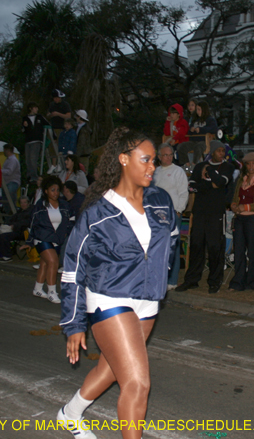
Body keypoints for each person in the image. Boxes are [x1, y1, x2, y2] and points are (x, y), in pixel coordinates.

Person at [57, 127, 177, 439]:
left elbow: (171, 241)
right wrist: (74, 322)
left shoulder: (161, 201)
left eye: (155, 161)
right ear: (124, 159)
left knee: (110, 370)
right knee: (137, 383)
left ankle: (69, 414)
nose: (153, 166)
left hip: (148, 301)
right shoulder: (97, 214)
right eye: (146, 159)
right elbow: (72, 269)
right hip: (110, 299)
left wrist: (159, 271)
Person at [177, 141, 233, 293]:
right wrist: (210, 184)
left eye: (223, 151)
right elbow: (191, 186)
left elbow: (221, 183)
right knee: (196, 246)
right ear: (212, 152)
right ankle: (191, 280)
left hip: (216, 213)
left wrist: (210, 172)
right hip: (200, 212)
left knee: (215, 247)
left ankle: (214, 281)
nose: (222, 153)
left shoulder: (227, 167)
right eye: (219, 151)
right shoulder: (199, 166)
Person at [21, 176, 74, 304]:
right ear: (46, 191)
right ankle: (52, 292)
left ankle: (38, 288)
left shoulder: (64, 205)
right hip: (42, 238)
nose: (55, 193)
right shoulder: (40, 205)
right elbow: (33, 223)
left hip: (56, 239)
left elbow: (71, 220)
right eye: (52, 190)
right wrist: (29, 241)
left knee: (45, 263)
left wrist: (68, 232)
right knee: (53, 262)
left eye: (57, 190)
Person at [229, 152, 254, 292]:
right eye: (248, 163)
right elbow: (235, 197)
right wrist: (233, 205)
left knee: (252, 251)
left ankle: (252, 281)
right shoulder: (241, 179)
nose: (251, 166)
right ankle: (238, 281)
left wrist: (245, 207)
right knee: (239, 250)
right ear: (245, 165)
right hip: (240, 218)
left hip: (253, 218)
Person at [152, 143, 189, 290]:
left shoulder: (177, 171)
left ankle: (172, 281)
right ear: (159, 157)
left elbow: (183, 192)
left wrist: (179, 210)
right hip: (156, 214)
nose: (168, 157)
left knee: (172, 246)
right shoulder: (155, 171)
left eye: (170, 155)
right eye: (165, 155)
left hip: (172, 213)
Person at [178, 101, 217, 165]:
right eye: (197, 110)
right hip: (194, 140)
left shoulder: (210, 119)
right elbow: (189, 132)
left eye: (199, 109)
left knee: (198, 147)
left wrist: (201, 130)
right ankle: (186, 164)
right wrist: (191, 130)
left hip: (205, 141)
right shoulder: (195, 120)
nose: (197, 111)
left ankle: (194, 164)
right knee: (181, 146)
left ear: (204, 110)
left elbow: (214, 129)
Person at [0, 196, 33, 262]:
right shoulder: (20, 211)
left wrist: (14, 225)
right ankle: (5, 254)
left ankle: (8, 256)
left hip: (24, 232)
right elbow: (12, 219)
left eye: (25, 202)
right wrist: (7, 225)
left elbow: (27, 222)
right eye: (21, 203)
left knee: (4, 237)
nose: (23, 204)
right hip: (16, 230)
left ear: (28, 203)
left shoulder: (31, 212)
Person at [22, 102, 50, 183]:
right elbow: (23, 130)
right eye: (35, 108)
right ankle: (29, 176)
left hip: (37, 140)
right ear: (31, 108)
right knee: (28, 160)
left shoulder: (40, 117)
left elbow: (48, 124)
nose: (37, 109)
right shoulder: (25, 118)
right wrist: (25, 126)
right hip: (28, 141)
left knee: (33, 158)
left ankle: (34, 177)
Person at [1, 143, 21, 207]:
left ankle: (13, 209)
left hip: (12, 181)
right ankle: (8, 212)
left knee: (10, 197)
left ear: (7, 150)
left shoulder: (12, 160)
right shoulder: (8, 160)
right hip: (6, 182)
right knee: (5, 200)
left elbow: (9, 171)